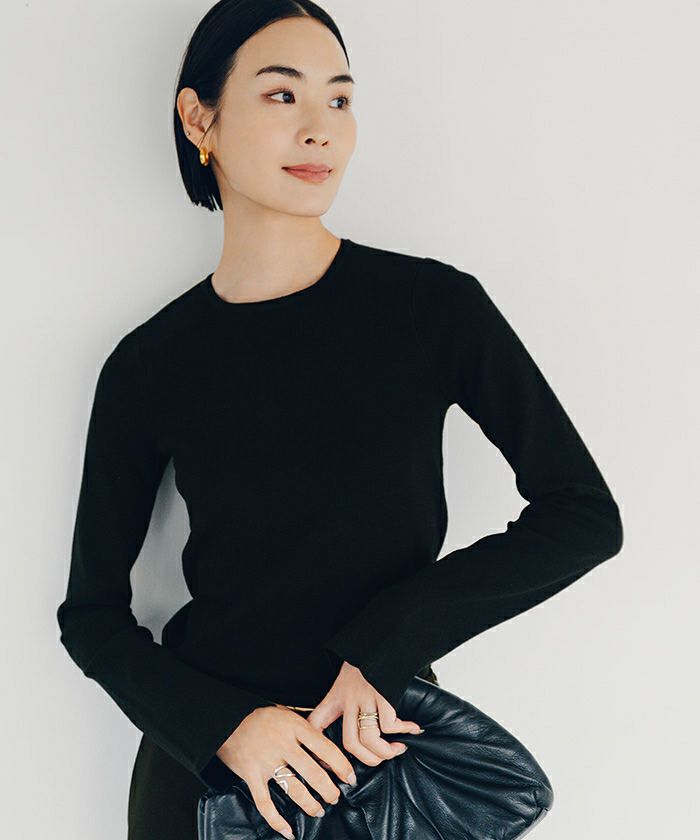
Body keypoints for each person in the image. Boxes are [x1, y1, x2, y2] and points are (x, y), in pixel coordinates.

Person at [56, 2, 624, 839]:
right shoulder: (149, 363)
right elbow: (91, 618)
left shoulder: (433, 310)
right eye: (282, 95)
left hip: (377, 764)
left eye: (340, 99)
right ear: (199, 118)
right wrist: (222, 729)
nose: (320, 128)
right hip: (205, 777)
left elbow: (583, 515)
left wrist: (382, 647)